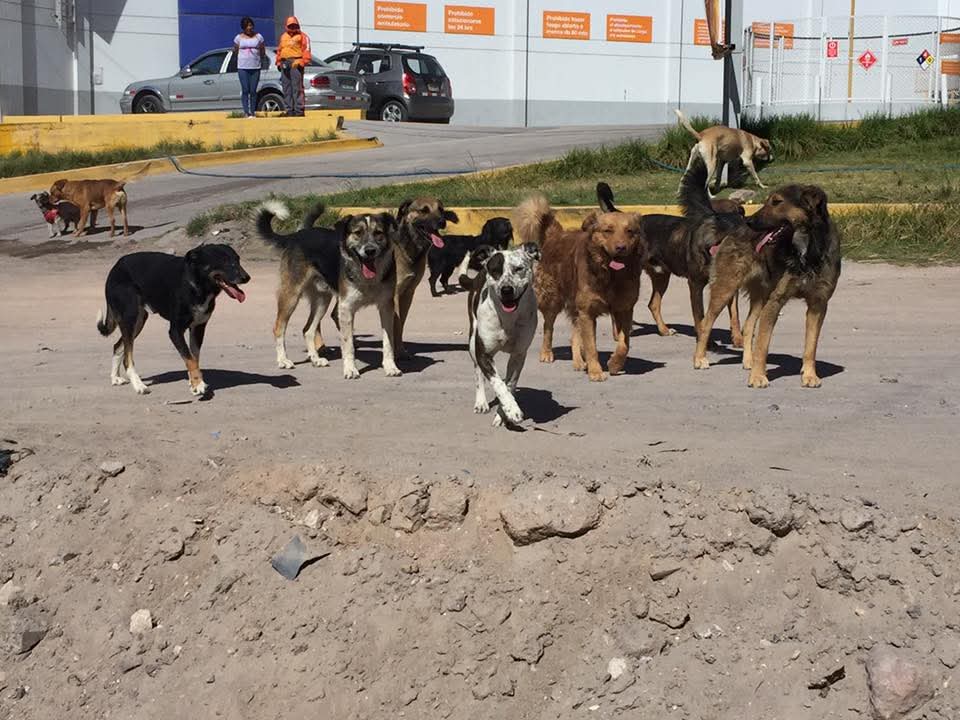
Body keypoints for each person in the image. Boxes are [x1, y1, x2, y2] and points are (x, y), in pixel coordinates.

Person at [276, 16, 311, 117]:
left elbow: (306, 50)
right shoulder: (283, 36)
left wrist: (303, 61)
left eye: (294, 25)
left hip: (296, 62)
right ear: (287, 26)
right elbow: (280, 50)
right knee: (286, 88)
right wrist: (278, 62)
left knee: (297, 88)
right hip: (284, 63)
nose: (292, 27)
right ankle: (289, 110)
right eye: (290, 26)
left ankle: (299, 110)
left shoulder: (303, 36)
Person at [234, 17, 265, 118]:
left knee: (253, 90)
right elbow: (235, 51)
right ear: (243, 27)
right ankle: (246, 112)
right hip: (243, 67)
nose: (249, 28)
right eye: (247, 26)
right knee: (245, 89)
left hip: (255, 66)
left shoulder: (258, 37)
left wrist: (260, 60)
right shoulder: (238, 38)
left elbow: (262, 50)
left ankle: (252, 111)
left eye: (251, 25)